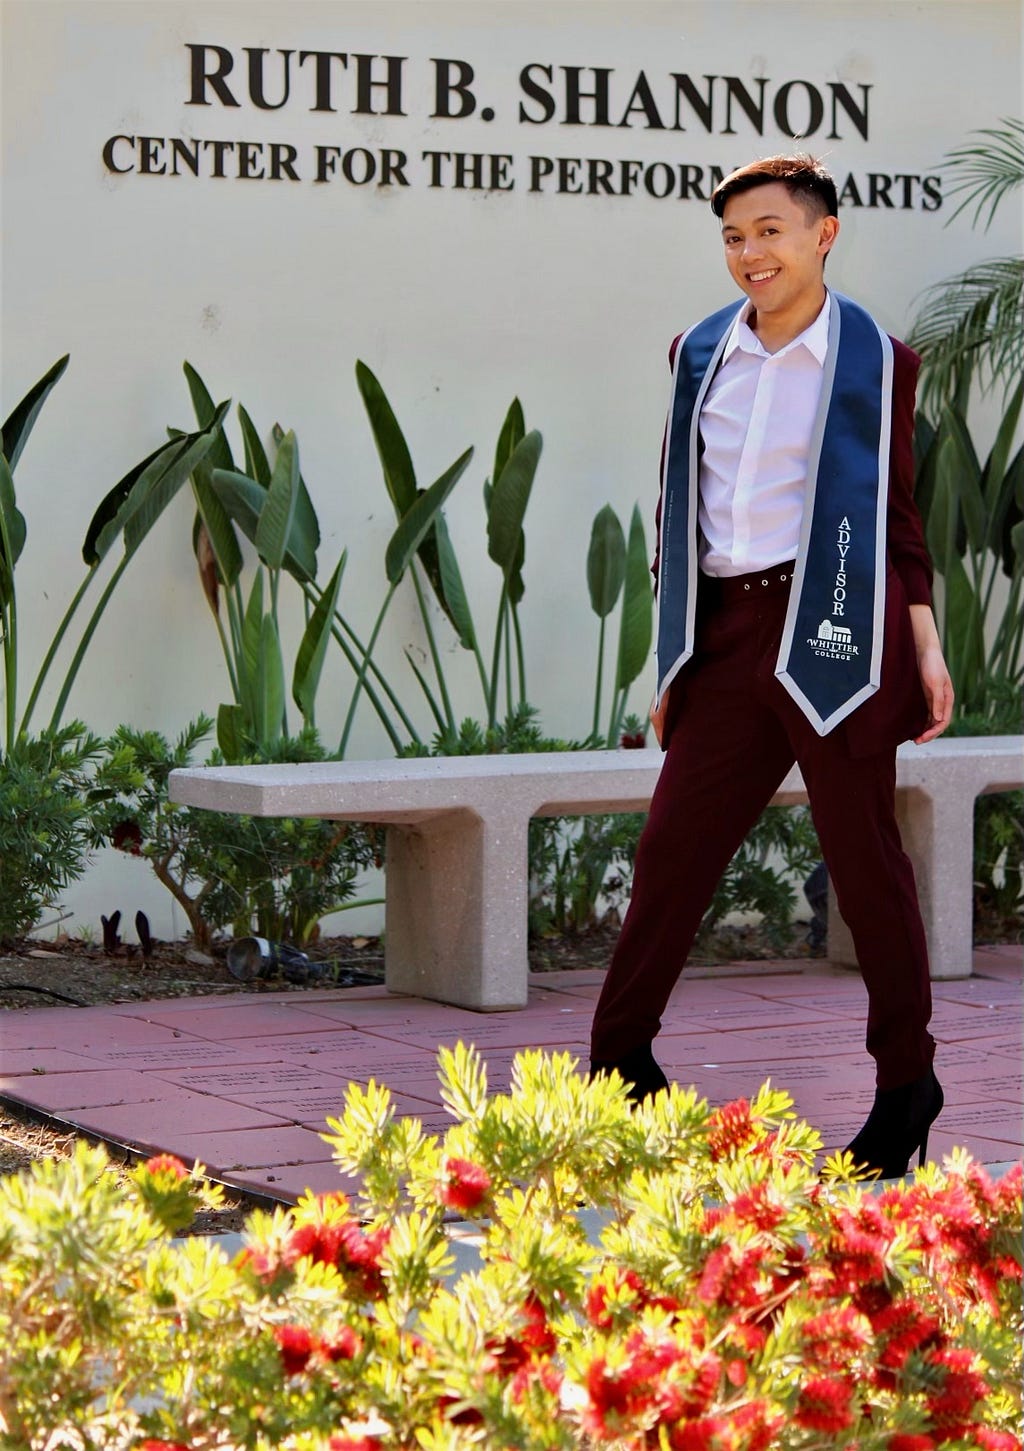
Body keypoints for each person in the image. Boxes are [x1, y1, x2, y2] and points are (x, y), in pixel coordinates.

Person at [589, 154, 954, 1179]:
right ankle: (618, 1058)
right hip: (725, 636)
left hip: (837, 626)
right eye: (733, 237)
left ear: (822, 234)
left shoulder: (877, 361)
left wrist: (922, 642)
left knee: (864, 860)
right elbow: (679, 506)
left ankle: (903, 1084)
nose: (750, 253)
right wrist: (672, 655)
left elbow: (897, 518)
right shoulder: (698, 350)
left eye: (770, 232)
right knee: (670, 853)